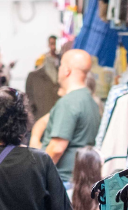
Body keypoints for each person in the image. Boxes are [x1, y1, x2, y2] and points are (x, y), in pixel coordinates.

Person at [40, 48, 101, 184]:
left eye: (61, 65)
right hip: (80, 178)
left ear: (67, 70)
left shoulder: (68, 103)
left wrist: (38, 174)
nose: (59, 69)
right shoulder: (90, 100)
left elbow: (57, 148)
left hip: (63, 180)